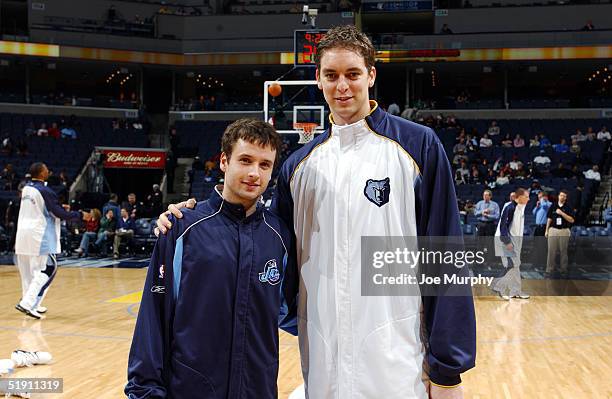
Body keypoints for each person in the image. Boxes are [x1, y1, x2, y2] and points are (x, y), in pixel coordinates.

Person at [157, 25, 476, 399]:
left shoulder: (417, 147)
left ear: (371, 76)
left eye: (353, 74)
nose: (342, 86)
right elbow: (264, 240)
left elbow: (444, 256)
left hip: (398, 360)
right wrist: (190, 217)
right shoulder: (298, 167)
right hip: (323, 364)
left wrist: (447, 371)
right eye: (332, 75)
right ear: (318, 80)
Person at [126, 119, 296, 398]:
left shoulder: (279, 236)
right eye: (245, 160)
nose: (255, 173)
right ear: (224, 162)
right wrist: (144, 390)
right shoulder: (181, 228)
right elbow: (154, 317)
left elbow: (293, 313)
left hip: (258, 390)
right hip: (191, 390)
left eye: (265, 165)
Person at [15, 163, 91, 319]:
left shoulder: (26, 189)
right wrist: (80, 215)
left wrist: (58, 206)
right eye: (45, 169)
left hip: (22, 235)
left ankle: (32, 304)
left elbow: (42, 207)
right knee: (48, 269)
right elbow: (58, 213)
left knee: (28, 274)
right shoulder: (45, 190)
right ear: (42, 173)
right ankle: (28, 302)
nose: (48, 171)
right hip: (39, 236)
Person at [492, 188, 530, 300]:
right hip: (506, 240)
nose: (529, 198)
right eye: (526, 196)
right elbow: (503, 226)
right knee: (510, 265)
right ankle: (498, 286)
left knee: (516, 265)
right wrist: (507, 242)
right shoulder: (510, 208)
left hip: (516, 240)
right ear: (520, 197)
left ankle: (515, 291)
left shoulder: (521, 207)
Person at [545, 190, 575, 278]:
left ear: (566, 198)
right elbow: (549, 218)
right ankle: (549, 269)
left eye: (564, 196)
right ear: (558, 196)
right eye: (561, 195)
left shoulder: (569, 207)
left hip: (564, 230)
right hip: (553, 230)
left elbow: (572, 220)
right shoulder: (553, 206)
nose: (562, 197)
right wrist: (546, 230)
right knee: (551, 251)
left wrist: (562, 213)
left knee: (563, 251)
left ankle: (563, 270)